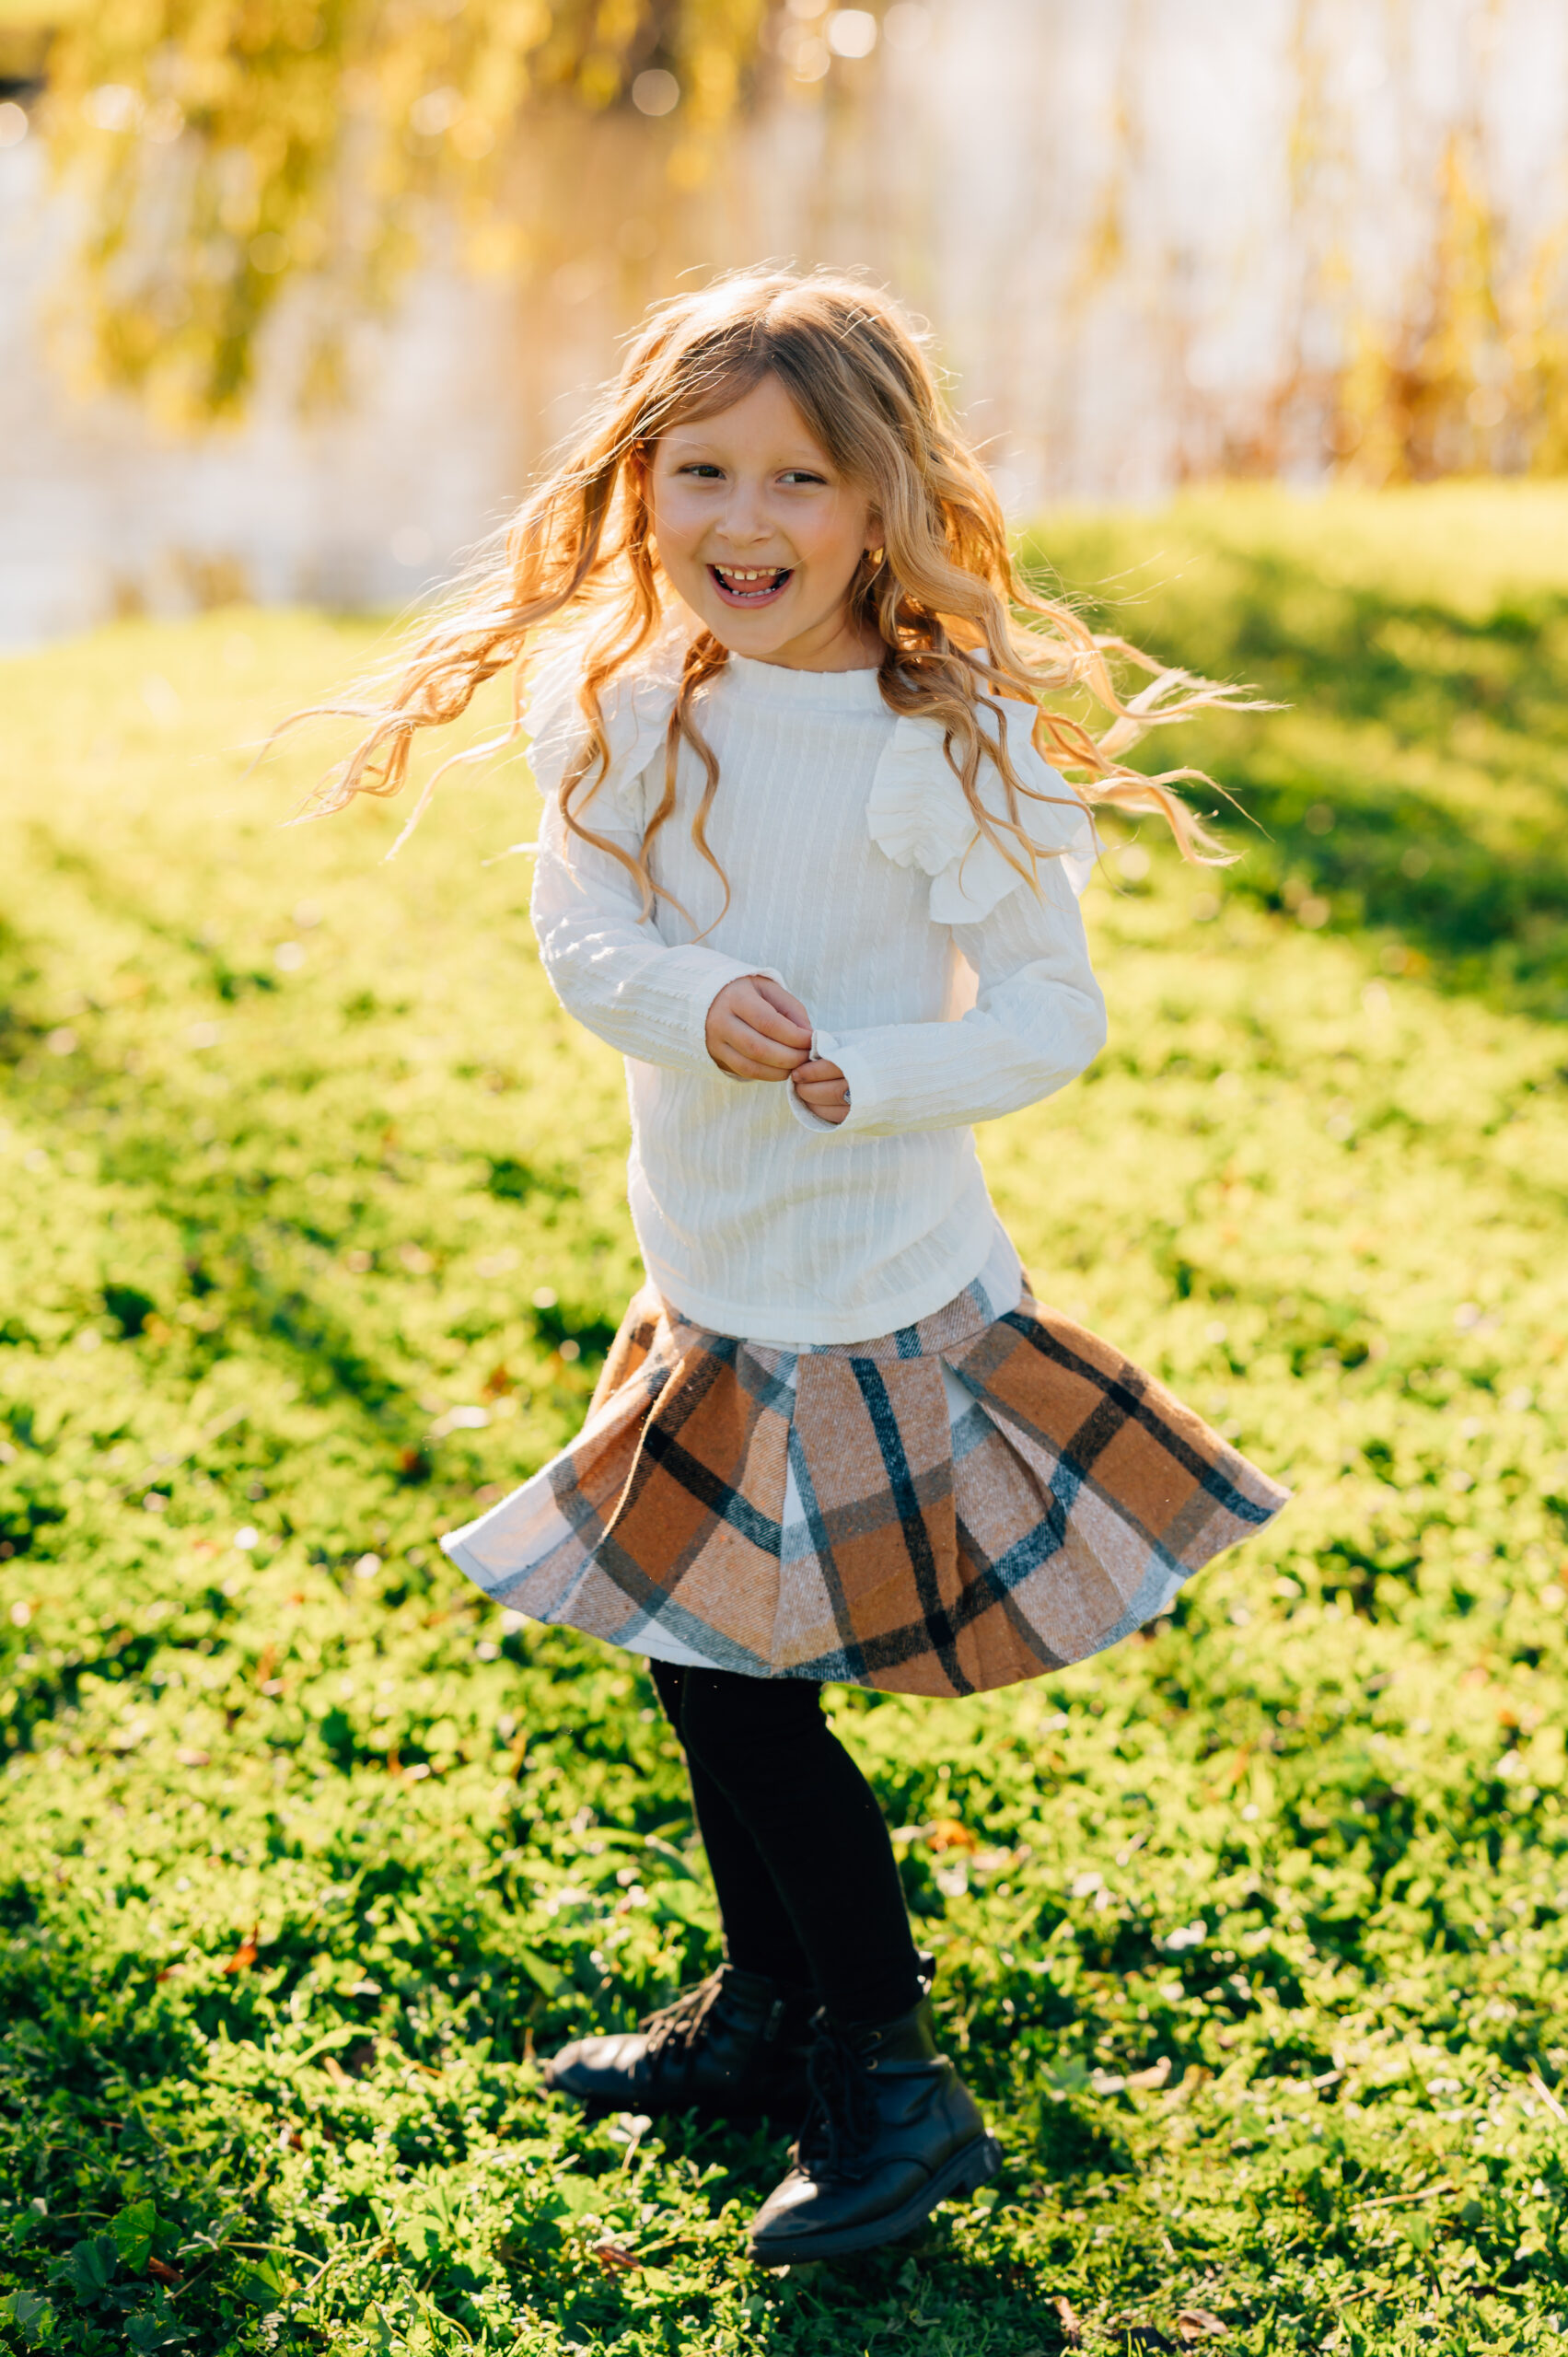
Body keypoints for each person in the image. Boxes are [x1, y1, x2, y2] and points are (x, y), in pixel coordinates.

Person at [303, 270, 1289, 2265]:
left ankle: (893, 2075)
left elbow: (1048, 1011)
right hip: (709, 1268)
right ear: (640, 480)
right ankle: (765, 2016)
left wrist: (869, 1069)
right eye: (702, 471)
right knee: (694, 1656)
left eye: (799, 479)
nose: (742, 521)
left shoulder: (949, 740)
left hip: (867, 1284)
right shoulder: (625, 700)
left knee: (750, 1694)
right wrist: (694, 993)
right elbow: (585, 943)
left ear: (884, 500)